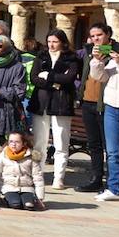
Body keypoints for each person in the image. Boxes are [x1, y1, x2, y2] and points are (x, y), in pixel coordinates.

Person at [28, 29, 80, 192]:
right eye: (49, 41)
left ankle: (59, 177)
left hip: (61, 102)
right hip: (41, 101)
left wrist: (48, 76)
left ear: (63, 42)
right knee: (39, 142)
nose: (51, 44)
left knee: (61, 141)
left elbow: (69, 78)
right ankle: (38, 174)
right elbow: (34, 78)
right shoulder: (41, 56)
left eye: (55, 41)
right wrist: (54, 82)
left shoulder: (71, 58)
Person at [76, 24, 119, 194]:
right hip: (88, 102)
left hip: (106, 103)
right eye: (93, 35)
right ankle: (96, 179)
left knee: (110, 146)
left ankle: (113, 182)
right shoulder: (89, 51)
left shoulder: (117, 51)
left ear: (108, 34)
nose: (96, 39)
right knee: (93, 144)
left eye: (99, 35)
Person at [88, 36, 119, 202]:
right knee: (112, 152)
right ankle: (114, 188)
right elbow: (100, 77)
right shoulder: (114, 58)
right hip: (111, 108)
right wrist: (96, 61)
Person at [0, 129, 44, 211]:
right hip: (9, 187)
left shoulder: (31, 157)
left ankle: (30, 199)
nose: (13, 144)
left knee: (29, 205)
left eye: (17, 142)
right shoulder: (2, 156)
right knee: (15, 204)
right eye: (11, 141)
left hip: (26, 187)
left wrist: (40, 198)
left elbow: (38, 177)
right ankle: (6, 200)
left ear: (24, 143)